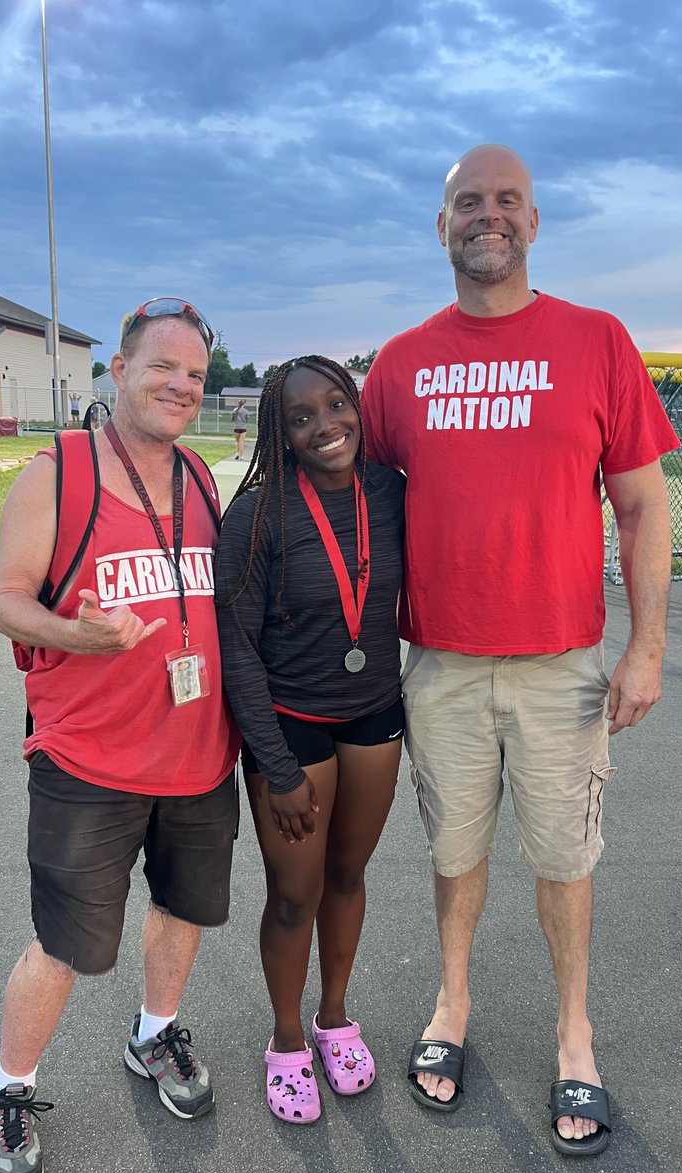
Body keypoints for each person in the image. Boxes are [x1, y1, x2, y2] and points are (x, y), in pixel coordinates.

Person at [360, 144, 680, 1156]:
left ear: (534, 223)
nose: (485, 216)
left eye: (506, 201)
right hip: (443, 664)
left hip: (560, 666)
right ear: (441, 224)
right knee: (455, 855)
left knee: (563, 857)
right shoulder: (402, 363)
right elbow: (358, 516)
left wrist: (648, 648)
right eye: (466, 202)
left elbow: (640, 507)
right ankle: (451, 1004)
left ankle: (573, 1034)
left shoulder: (595, 342)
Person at [0, 297, 240, 1173]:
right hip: (88, 761)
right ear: (119, 371)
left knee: (182, 912)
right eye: (162, 366)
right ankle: (8, 1088)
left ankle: (153, 1032)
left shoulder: (202, 478)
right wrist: (74, 633)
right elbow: (6, 598)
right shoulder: (60, 472)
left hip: (201, 755)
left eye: (196, 375)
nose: (180, 384)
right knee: (66, 945)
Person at [214, 355, 405, 1123]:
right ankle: (287, 1039)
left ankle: (334, 1020)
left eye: (336, 405)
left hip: (374, 713)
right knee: (296, 894)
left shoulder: (390, 492)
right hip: (291, 726)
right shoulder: (258, 513)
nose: (326, 426)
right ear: (281, 433)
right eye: (302, 417)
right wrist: (274, 763)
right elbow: (235, 644)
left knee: (349, 875)